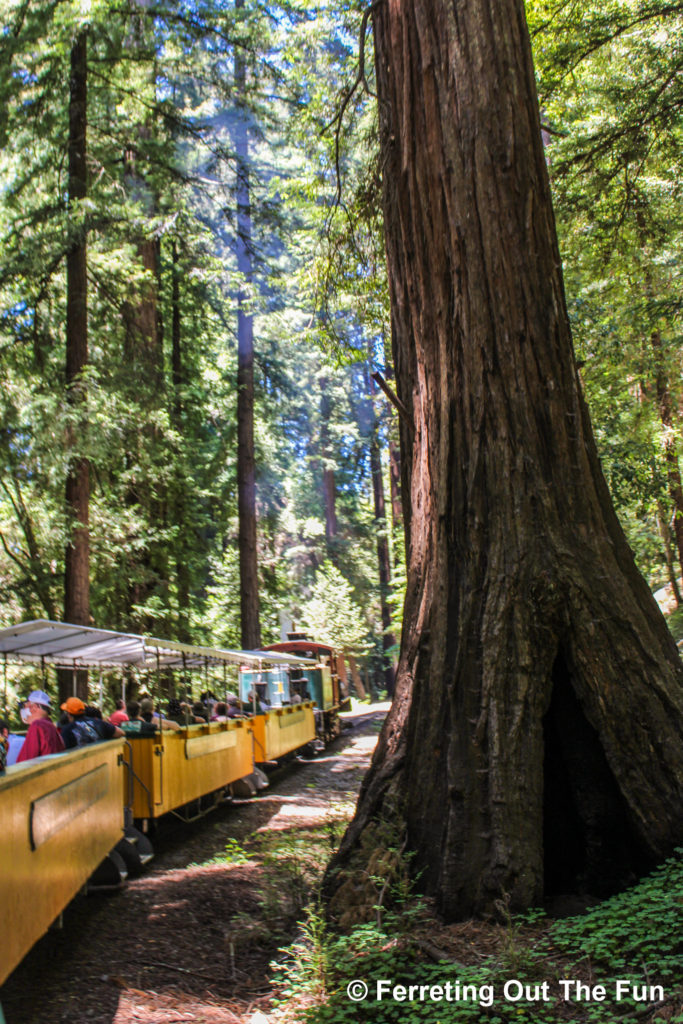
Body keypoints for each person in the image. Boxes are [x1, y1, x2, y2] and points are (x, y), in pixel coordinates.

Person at [16, 690, 65, 763]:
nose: (24, 710)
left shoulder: (37, 726)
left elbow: (25, 762)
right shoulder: (51, 727)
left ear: (34, 707)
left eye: (25, 706)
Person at [60, 697, 124, 748]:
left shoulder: (67, 730)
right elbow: (121, 733)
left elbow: (63, 749)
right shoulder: (98, 722)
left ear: (69, 714)